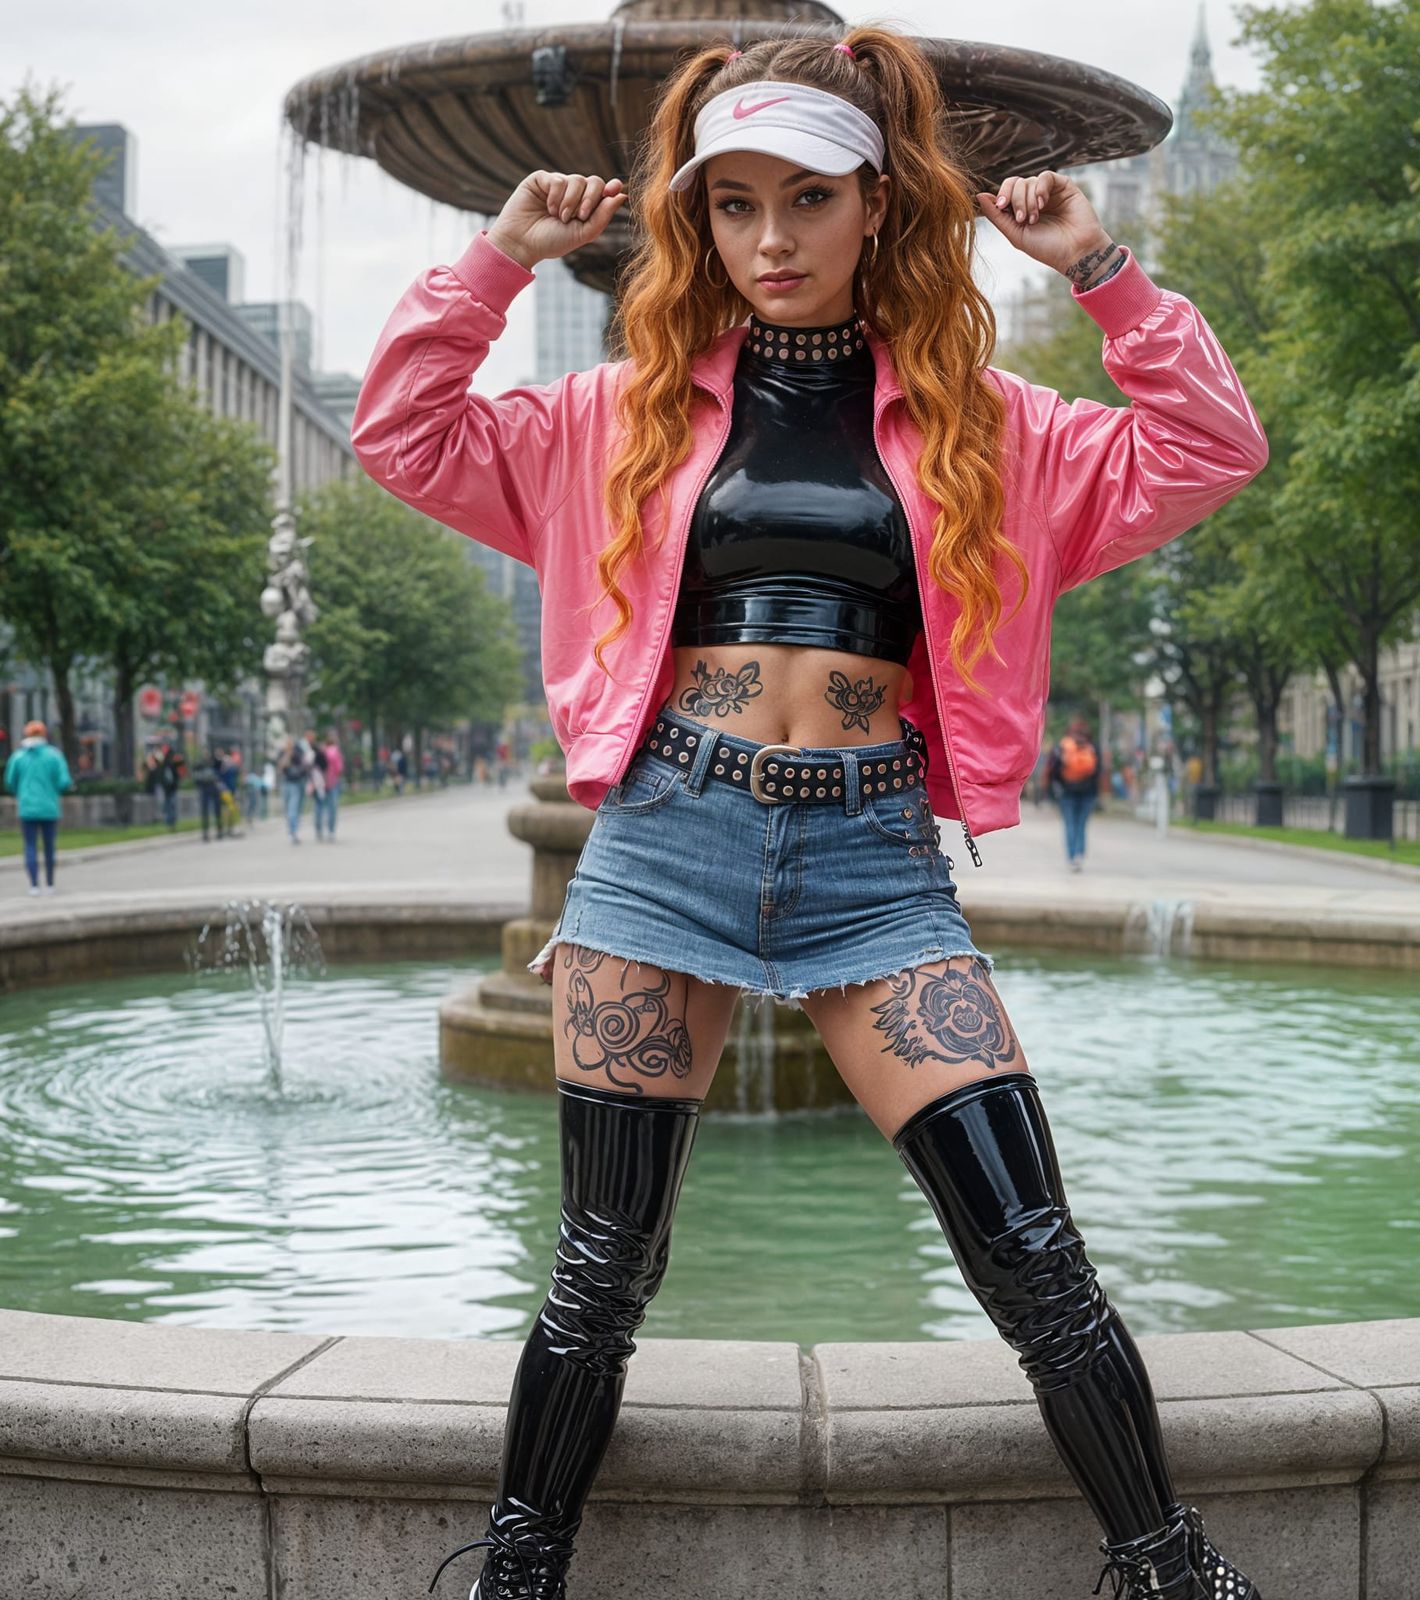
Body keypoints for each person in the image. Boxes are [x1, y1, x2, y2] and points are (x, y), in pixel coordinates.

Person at [353, 27, 1268, 1600]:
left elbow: (1208, 449)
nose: (768, 241)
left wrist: (1106, 269)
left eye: (807, 200)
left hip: (871, 869)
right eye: (731, 206)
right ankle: (518, 1572)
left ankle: (1172, 1571)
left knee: (1032, 1255)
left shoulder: (993, 425)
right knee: (601, 1271)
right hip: (663, 849)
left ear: (879, 203)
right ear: (695, 218)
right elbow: (407, 435)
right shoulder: (610, 415)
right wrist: (496, 260)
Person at [4, 719, 74, 896]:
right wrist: (54, 790)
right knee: (49, 846)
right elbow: (64, 781)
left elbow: (10, 781)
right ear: (44, 734)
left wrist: (21, 792)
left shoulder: (18, 756)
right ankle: (50, 884)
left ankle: (34, 885)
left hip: (27, 807)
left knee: (30, 845)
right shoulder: (54, 755)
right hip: (49, 807)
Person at [1048, 715, 1102, 872]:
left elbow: (1054, 771)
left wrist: (1054, 791)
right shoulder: (1092, 747)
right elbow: (1098, 772)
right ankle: (1079, 855)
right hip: (1088, 793)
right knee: (1081, 825)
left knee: (1069, 824)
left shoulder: (1063, 747)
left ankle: (1071, 857)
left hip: (1067, 792)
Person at [277, 734, 312, 845]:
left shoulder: (298, 752)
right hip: (286, 783)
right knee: (288, 809)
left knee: (295, 808)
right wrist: (287, 754)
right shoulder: (282, 753)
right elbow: (280, 768)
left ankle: (293, 832)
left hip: (297, 784)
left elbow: (305, 765)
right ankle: (292, 829)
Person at [314, 730, 344, 842]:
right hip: (332, 782)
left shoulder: (321, 750)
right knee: (332, 807)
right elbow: (339, 768)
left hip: (320, 782)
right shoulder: (335, 750)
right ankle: (331, 831)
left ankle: (318, 830)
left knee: (319, 806)